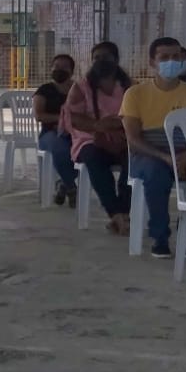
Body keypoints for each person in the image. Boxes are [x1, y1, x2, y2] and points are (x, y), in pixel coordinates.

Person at [121, 37, 186, 258]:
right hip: (149, 154)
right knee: (156, 174)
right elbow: (133, 138)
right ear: (152, 62)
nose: (172, 61)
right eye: (164, 57)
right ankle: (160, 237)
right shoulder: (135, 94)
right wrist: (165, 157)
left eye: (176, 56)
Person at [62, 41, 133, 232]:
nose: (100, 61)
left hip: (124, 139)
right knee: (94, 160)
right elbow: (74, 119)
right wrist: (99, 128)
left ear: (116, 59)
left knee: (135, 161)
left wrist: (118, 130)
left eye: (106, 57)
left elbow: (138, 117)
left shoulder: (129, 87)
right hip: (89, 139)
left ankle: (124, 212)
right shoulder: (81, 88)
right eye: (96, 58)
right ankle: (116, 214)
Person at [33, 53, 78, 207]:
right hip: (50, 134)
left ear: (72, 71)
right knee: (61, 148)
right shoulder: (45, 90)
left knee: (86, 151)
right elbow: (39, 115)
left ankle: (64, 184)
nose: (59, 70)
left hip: (76, 133)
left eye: (64, 67)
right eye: (56, 66)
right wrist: (62, 119)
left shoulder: (79, 90)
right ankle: (71, 186)